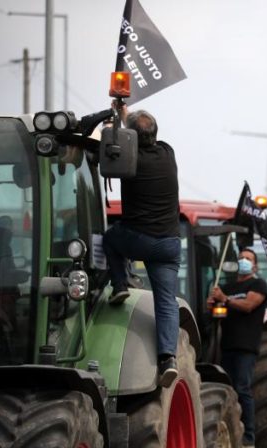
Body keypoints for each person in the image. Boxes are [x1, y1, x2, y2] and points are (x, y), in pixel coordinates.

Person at [103, 107, 181, 388]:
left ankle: (120, 284)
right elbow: (139, 134)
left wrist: (119, 115)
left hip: (139, 240)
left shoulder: (130, 161)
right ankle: (168, 359)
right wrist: (127, 117)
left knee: (110, 238)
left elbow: (119, 145)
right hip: (170, 244)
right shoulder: (168, 154)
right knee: (167, 303)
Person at [207, 248, 267, 448]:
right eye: (241, 257)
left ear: (255, 265)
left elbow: (249, 305)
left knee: (243, 387)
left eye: (248, 259)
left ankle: (249, 436)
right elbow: (218, 312)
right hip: (227, 345)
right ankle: (231, 429)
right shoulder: (227, 286)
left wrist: (225, 299)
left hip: (246, 345)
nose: (243, 260)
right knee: (229, 389)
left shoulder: (258, 284)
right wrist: (212, 303)